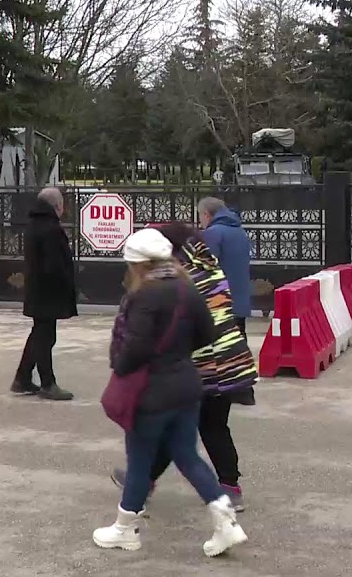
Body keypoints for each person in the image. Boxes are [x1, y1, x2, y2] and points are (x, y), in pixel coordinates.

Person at [92, 229, 248, 557]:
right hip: (187, 386)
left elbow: (134, 347)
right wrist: (176, 355)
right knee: (188, 456)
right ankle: (225, 523)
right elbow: (207, 332)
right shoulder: (187, 288)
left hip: (151, 391)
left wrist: (120, 365)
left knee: (139, 461)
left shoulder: (143, 295)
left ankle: (124, 529)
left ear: (139, 265)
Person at [11, 187, 76, 401]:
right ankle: (48, 383)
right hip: (49, 291)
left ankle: (22, 378)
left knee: (39, 334)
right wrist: (66, 285)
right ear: (57, 205)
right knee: (45, 337)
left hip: (38, 290)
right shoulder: (51, 229)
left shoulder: (34, 225)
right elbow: (55, 265)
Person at [198, 197, 252, 335]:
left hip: (220, 299)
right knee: (239, 337)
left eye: (200, 216)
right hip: (240, 296)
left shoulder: (213, 233)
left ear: (206, 214)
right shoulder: (239, 230)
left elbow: (206, 264)